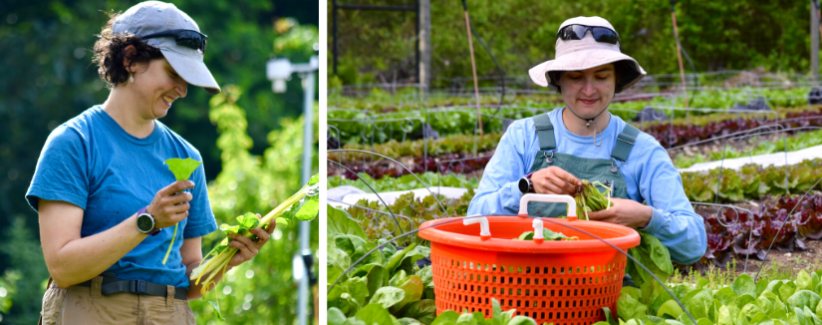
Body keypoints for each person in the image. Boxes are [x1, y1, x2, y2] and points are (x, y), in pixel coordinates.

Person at [26, 2, 273, 324]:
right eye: (173, 74)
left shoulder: (188, 156)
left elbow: (188, 278)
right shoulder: (74, 142)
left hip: (169, 314)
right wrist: (147, 220)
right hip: (90, 310)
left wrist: (228, 259)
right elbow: (63, 267)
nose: (182, 90)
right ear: (130, 59)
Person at [467, 16, 706, 265]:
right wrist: (527, 186)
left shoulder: (642, 149)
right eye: (576, 77)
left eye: (601, 77)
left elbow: (694, 245)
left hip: (608, 294)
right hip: (526, 286)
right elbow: (474, 218)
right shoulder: (524, 136)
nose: (589, 90)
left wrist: (646, 217)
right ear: (558, 78)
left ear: (617, 80)